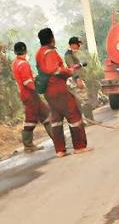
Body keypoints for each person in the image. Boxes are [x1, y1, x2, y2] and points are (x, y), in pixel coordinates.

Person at [35, 27, 90, 157]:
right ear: (51, 38)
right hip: (58, 88)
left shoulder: (39, 53)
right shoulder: (50, 52)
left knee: (56, 119)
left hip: (48, 92)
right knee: (74, 115)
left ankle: (60, 150)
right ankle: (79, 146)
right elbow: (55, 70)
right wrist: (69, 71)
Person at [10, 41, 50, 153]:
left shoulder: (16, 63)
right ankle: (28, 145)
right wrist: (39, 89)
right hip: (30, 94)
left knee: (45, 114)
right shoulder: (23, 64)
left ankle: (56, 138)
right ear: (26, 51)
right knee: (31, 119)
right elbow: (27, 82)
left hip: (26, 94)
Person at [64, 36, 100, 123]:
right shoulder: (68, 55)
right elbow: (72, 68)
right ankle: (90, 120)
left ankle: (84, 121)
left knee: (81, 102)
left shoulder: (72, 54)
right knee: (85, 101)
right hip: (77, 79)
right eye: (78, 44)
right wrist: (78, 79)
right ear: (73, 45)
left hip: (78, 79)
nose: (79, 46)